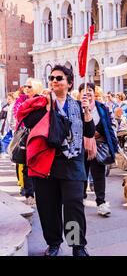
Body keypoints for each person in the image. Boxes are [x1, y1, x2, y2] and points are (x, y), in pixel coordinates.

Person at [27, 65, 95, 256]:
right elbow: (28, 123)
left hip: (72, 162)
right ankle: (54, 243)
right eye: (52, 78)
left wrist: (87, 112)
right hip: (46, 163)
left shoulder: (77, 104)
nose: (54, 80)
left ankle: (76, 245)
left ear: (69, 83)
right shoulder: (42, 102)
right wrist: (44, 108)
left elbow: (89, 133)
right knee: (48, 206)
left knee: (73, 205)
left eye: (59, 78)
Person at [80, 83, 118, 217]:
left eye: (90, 90)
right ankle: (82, 197)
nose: (87, 93)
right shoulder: (77, 108)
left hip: (99, 146)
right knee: (82, 174)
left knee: (99, 175)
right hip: (81, 147)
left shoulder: (101, 107)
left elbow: (110, 124)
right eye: (84, 90)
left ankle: (101, 202)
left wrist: (102, 134)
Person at [14, 78, 43, 206]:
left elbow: (33, 120)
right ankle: (29, 194)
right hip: (26, 138)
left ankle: (38, 193)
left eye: (29, 86)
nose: (26, 88)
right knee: (26, 167)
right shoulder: (23, 102)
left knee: (38, 166)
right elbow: (19, 118)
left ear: (36, 88)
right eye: (25, 86)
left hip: (39, 138)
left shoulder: (42, 102)